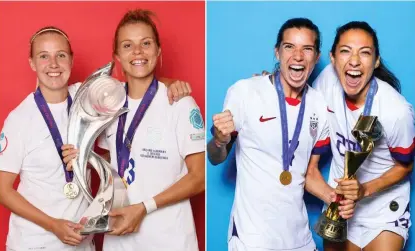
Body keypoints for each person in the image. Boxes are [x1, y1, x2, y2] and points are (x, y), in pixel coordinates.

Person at [0, 25, 192, 251]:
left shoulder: (90, 95)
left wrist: (171, 83)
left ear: (71, 60)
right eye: (44, 56)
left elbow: (139, 82)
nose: (53, 64)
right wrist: (52, 225)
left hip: (81, 243)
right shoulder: (19, 119)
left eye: (61, 55)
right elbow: (1, 190)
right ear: (32, 63)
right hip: (34, 242)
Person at [208, 18, 359, 251]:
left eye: (306, 49)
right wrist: (220, 139)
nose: (298, 56)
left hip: (299, 239)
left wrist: (334, 198)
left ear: (316, 57)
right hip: (252, 238)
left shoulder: (320, 106)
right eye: (289, 47)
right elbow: (215, 158)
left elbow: (309, 173)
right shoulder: (245, 92)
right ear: (277, 52)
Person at [63, 9, 205, 251]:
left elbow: (199, 178)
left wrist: (143, 207)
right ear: (117, 55)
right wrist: (86, 160)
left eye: (146, 43)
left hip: (170, 240)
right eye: (128, 45)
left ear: (158, 51)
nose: (138, 52)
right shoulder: (109, 103)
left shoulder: (179, 103)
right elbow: (118, 158)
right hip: (119, 240)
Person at [312, 21, 414, 251]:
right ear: (333, 57)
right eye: (345, 51)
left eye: (365, 53)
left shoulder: (396, 111)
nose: (354, 60)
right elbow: (301, 104)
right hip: (339, 204)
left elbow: (405, 165)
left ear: (376, 61)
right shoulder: (327, 80)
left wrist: (365, 190)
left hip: (384, 208)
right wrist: (270, 85)